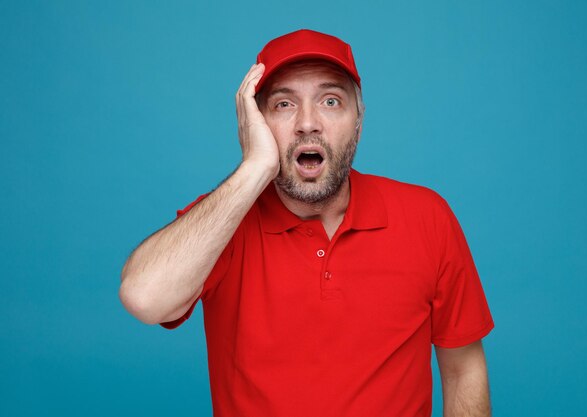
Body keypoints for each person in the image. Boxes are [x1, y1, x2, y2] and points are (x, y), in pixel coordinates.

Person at [119, 29, 495, 417]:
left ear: (359, 122)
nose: (307, 123)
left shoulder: (427, 217)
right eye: (284, 105)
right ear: (256, 123)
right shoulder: (222, 222)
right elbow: (144, 298)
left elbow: (462, 369)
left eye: (330, 101)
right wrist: (255, 168)